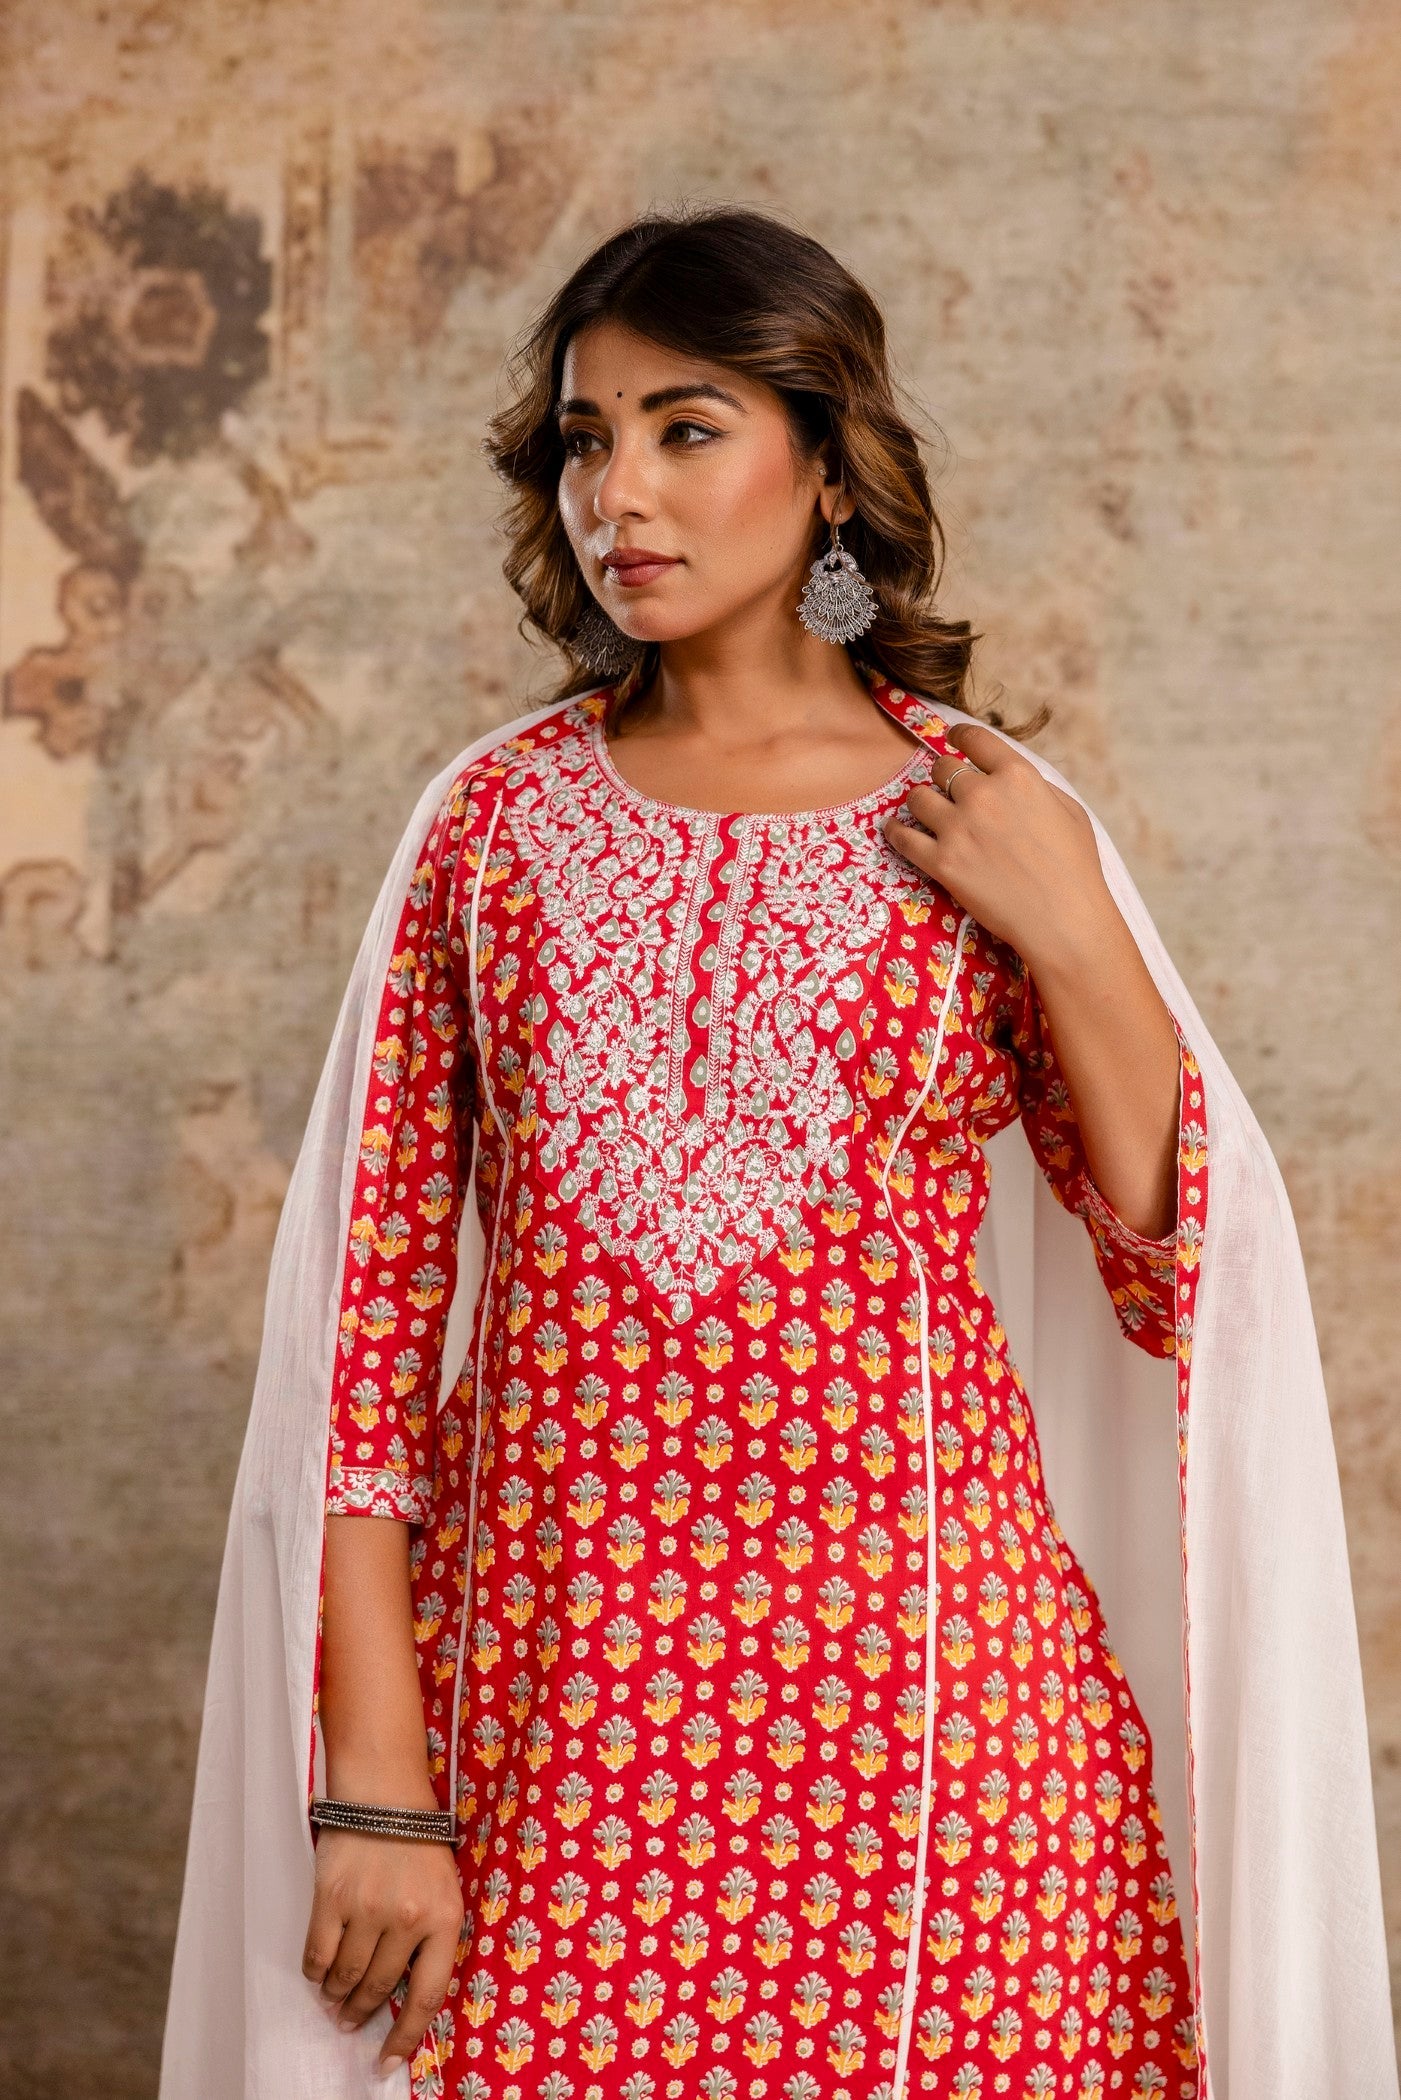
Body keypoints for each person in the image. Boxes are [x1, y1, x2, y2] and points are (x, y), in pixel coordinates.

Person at [160, 207, 1399, 2100]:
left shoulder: (985, 813)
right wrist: (377, 1785)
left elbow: (1176, 1266)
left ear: (825, 468)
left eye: (686, 426)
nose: (618, 494)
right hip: (552, 1721)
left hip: (933, 1730)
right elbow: (366, 1335)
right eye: (585, 439)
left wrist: (1069, 928)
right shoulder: (487, 827)